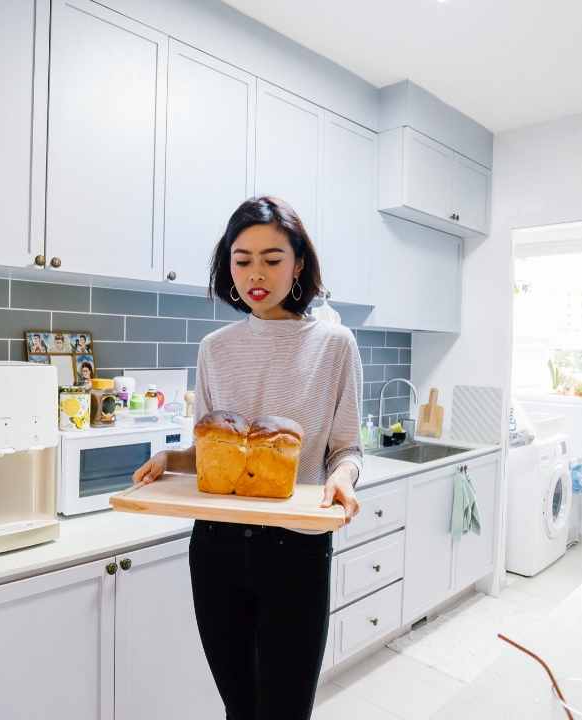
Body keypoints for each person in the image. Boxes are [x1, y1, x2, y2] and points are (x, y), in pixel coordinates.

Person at [132, 196, 362, 720]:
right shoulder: (216, 347)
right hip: (216, 547)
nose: (256, 273)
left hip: (297, 551)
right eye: (242, 259)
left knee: (283, 710)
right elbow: (221, 457)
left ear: (299, 264)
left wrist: (344, 479)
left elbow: (345, 447)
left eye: (272, 259)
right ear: (227, 266)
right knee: (239, 707)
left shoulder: (335, 345)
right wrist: (173, 459)